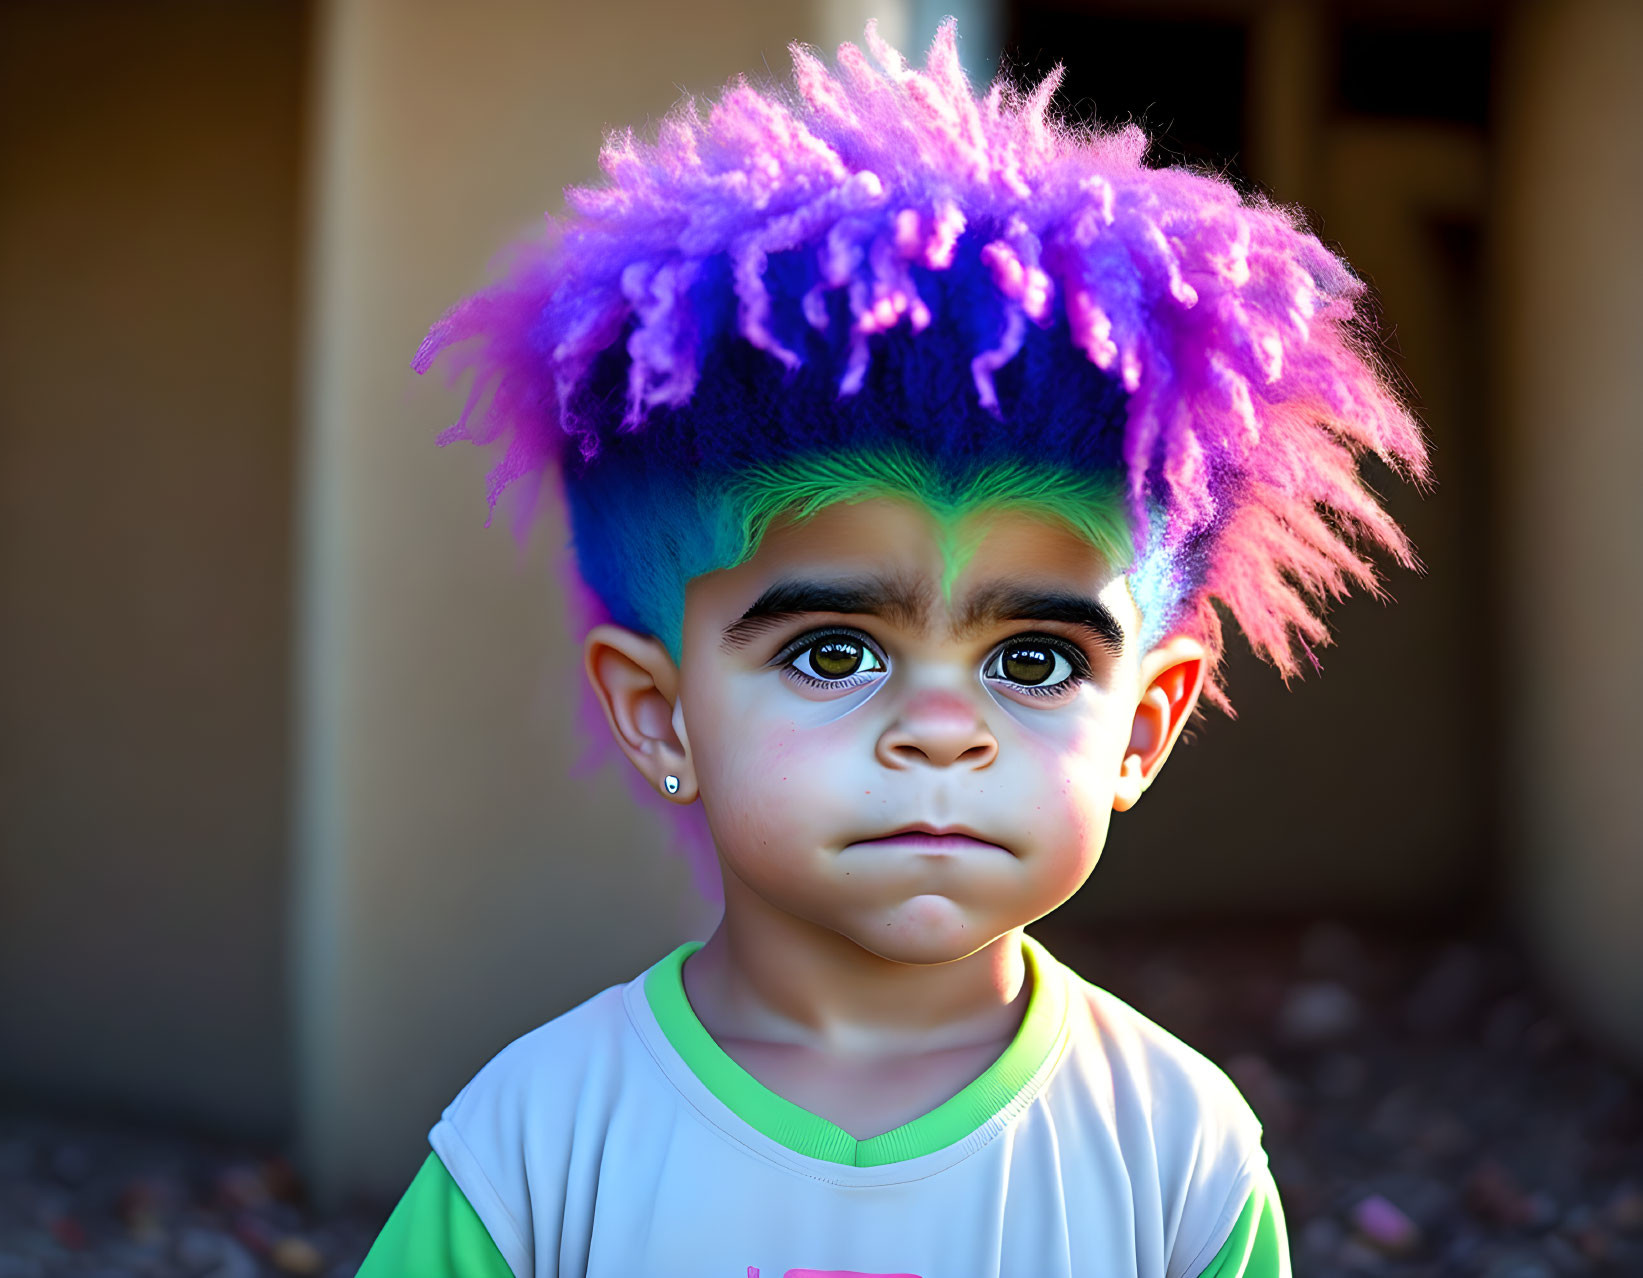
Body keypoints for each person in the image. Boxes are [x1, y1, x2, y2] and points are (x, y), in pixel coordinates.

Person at [359, 21, 1425, 1277]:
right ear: (659, 715)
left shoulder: (1174, 1157)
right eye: (830, 653)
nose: (939, 727)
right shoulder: (535, 1150)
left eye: (1031, 662)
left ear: (1144, 723)